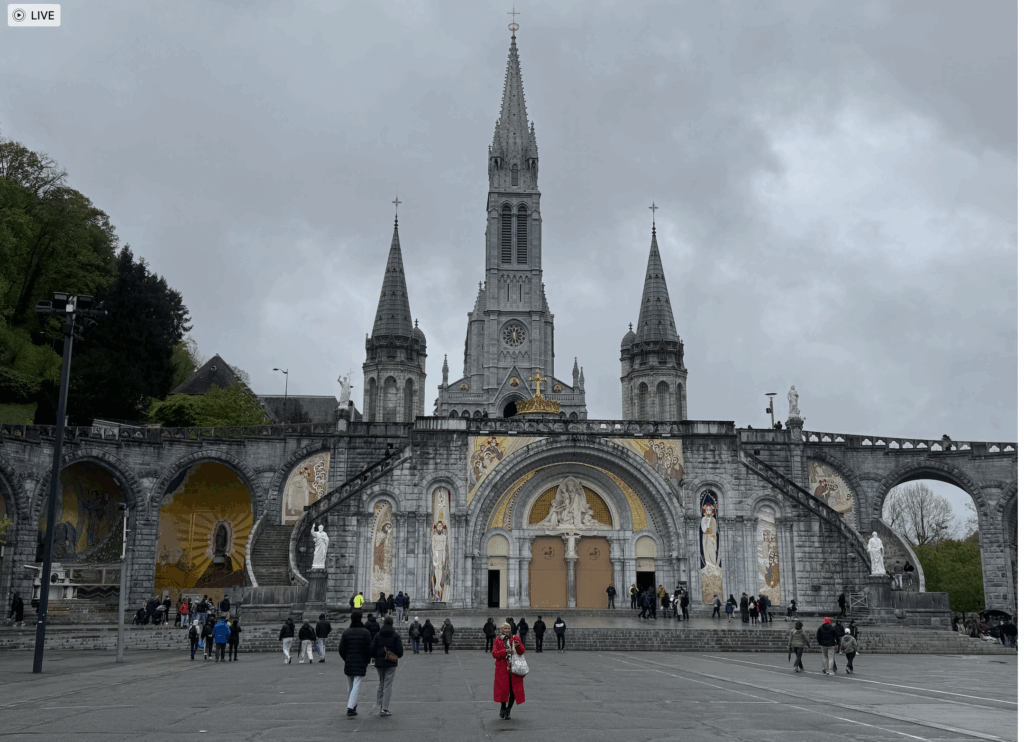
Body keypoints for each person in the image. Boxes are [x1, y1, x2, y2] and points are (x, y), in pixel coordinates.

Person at [368, 616, 404, 717]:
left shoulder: (378, 635)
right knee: (388, 685)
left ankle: (380, 703)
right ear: (392, 623)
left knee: (382, 682)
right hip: (391, 663)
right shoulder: (395, 635)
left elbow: (371, 649)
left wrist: (377, 656)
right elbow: (400, 652)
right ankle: (384, 708)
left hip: (379, 663)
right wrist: (395, 655)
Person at [339, 611, 372, 717]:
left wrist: (346, 658)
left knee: (350, 684)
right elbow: (368, 649)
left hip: (349, 661)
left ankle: (352, 706)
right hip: (360, 661)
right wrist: (367, 660)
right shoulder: (365, 632)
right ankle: (350, 706)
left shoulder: (346, 632)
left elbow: (341, 649)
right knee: (356, 683)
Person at [492, 621, 526, 720]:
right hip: (502, 668)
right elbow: (495, 654)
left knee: (514, 690)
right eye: (505, 628)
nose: (507, 630)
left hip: (514, 668)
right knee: (503, 689)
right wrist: (505, 651)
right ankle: (503, 706)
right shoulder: (498, 640)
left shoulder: (516, 638)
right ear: (501, 630)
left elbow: (522, 651)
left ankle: (509, 709)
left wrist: (519, 645)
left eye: (508, 628)